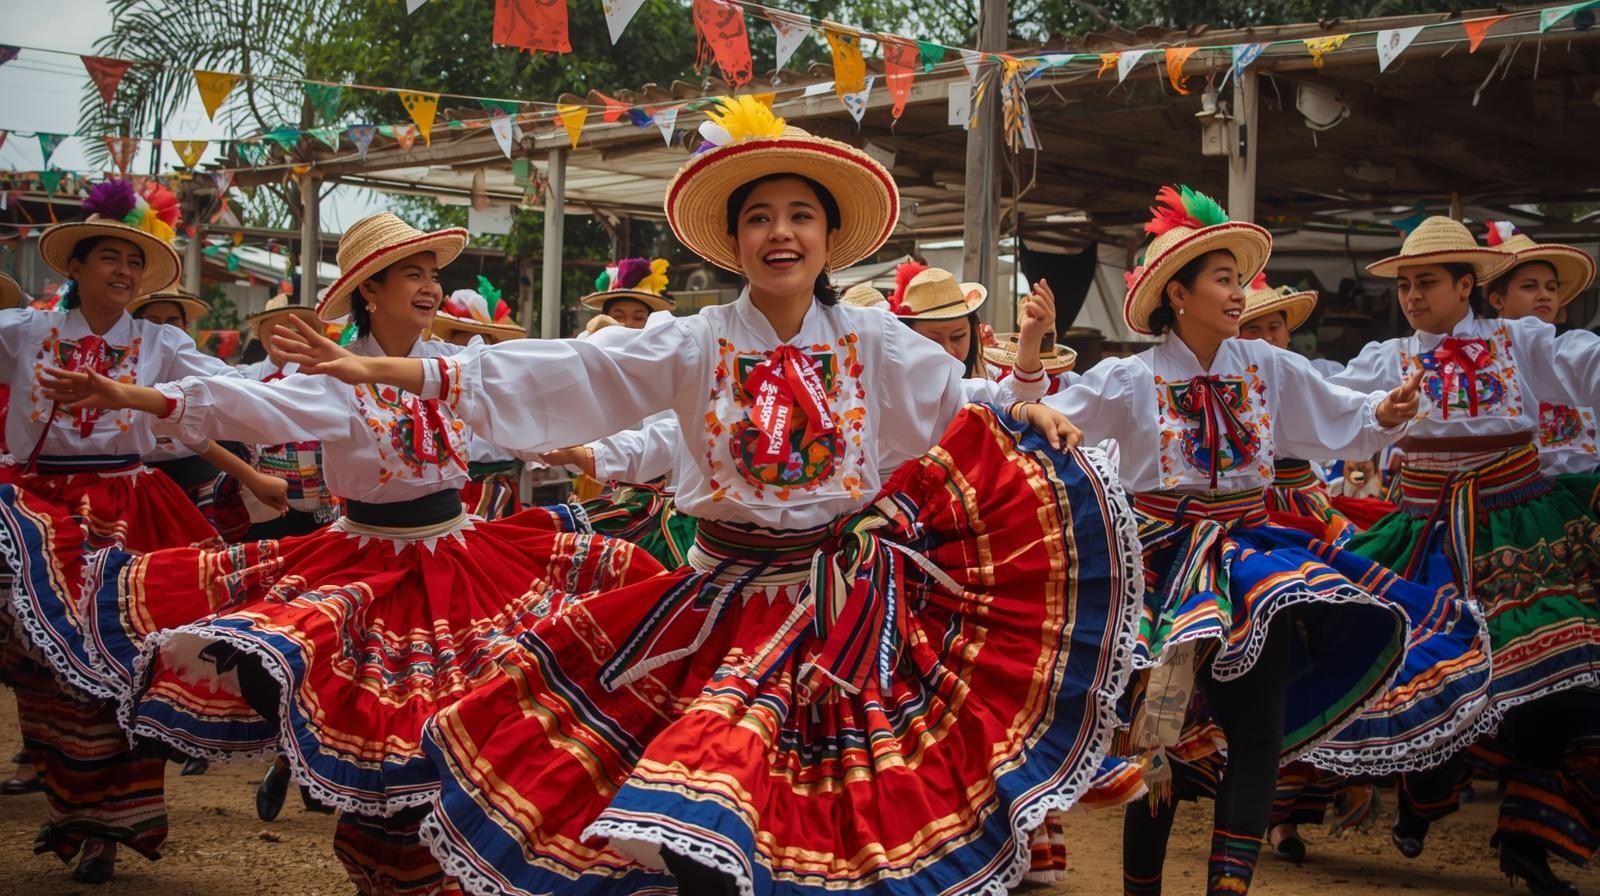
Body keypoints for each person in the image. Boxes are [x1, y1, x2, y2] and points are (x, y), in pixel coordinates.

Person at [268, 95, 1143, 895]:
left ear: (830, 237)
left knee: (829, 822)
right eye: (758, 217)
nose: (779, 232)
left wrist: (1026, 406)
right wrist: (385, 370)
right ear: (733, 242)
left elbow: (957, 404)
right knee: (704, 819)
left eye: (800, 214)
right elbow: (567, 370)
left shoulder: (875, 341)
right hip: (721, 609)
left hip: (841, 612)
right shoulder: (693, 342)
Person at [30, 211, 663, 896]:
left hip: (463, 556)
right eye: (412, 275)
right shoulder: (333, 378)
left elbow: (528, 403)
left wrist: (586, 447)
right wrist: (126, 393)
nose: (429, 287)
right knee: (390, 729)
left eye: (433, 275)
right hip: (372, 565)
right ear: (371, 289)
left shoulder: (454, 367)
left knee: (488, 699)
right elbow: (242, 403)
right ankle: (389, 868)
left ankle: (449, 860)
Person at [1043, 185, 1487, 896]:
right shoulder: (1131, 378)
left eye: (1239, 280)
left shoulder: (1265, 365)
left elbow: (1339, 413)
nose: (1239, 294)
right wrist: (1037, 404)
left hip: (1255, 558)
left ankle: (1230, 889)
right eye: (1224, 279)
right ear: (1178, 294)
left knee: (1257, 734)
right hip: (1165, 567)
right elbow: (1047, 421)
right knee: (1158, 740)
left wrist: (1385, 410)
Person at [1329, 216, 1600, 895]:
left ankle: (1525, 836)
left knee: (1559, 676)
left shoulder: (1520, 341)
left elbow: (1584, 363)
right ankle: (1426, 792)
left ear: (1466, 285)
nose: (1413, 296)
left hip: (1519, 527)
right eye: (1406, 286)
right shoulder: (1388, 359)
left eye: (1426, 282)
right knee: (1422, 669)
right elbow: (1321, 395)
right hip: (1422, 532)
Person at [0, 179, 241, 883]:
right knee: (47, 668)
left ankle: (112, 821)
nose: (125, 272)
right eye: (110, 257)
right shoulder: (23, 333)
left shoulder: (160, 341)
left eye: (135, 262)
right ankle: (70, 804)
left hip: (131, 506)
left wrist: (321, 380)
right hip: (40, 510)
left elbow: (224, 390)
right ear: (74, 267)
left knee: (128, 658)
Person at [429, 278, 535, 520]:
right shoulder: (435, 387)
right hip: (450, 494)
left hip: (498, 490)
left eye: (476, 347)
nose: (466, 357)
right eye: (458, 348)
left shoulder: (507, 387)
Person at [580, 257, 674, 329]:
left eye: (638, 318)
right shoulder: (587, 345)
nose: (628, 324)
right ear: (605, 318)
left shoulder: (667, 348)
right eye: (618, 317)